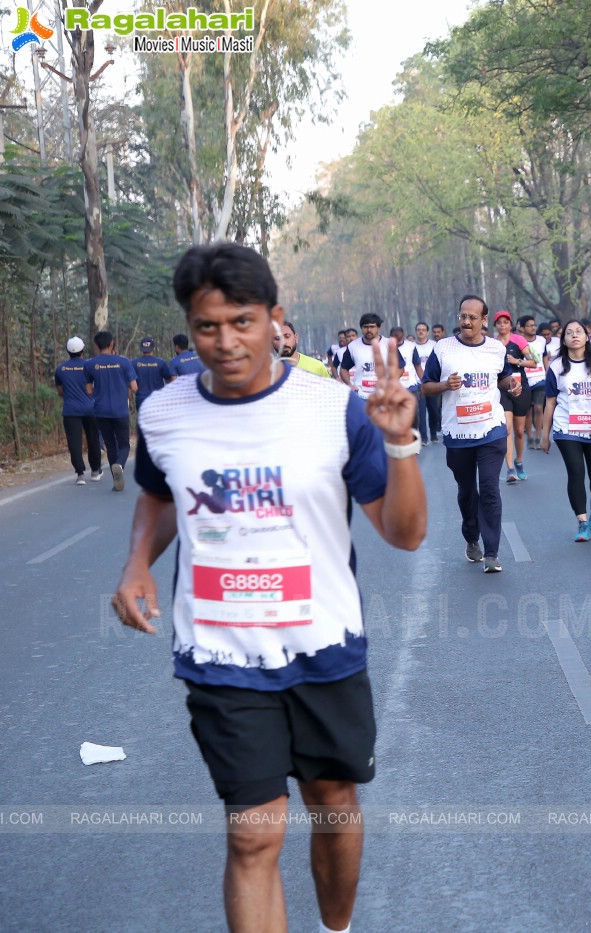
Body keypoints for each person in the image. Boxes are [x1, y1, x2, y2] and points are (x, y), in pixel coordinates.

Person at [112, 241, 426, 933]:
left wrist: (401, 446)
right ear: (189, 328)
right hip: (221, 653)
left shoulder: (335, 408)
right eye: (207, 326)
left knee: (333, 799)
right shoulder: (164, 413)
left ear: (275, 319)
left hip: (324, 646)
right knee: (252, 834)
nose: (225, 342)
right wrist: (137, 561)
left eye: (242, 322)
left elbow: (404, 534)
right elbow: (158, 494)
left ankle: (335, 927)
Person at [422, 295, 521, 574]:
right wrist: (444, 386)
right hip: (458, 433)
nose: (466, 321)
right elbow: (425, 386)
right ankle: (471, 537)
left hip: (491, 429)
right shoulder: (443, 349)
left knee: (489, 487)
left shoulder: (495, 349)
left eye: (472, 317)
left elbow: (503, 377)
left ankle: (492, 552)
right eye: (462, 316)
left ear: (483, 321)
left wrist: (511, 385)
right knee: (467, 491)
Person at [541, 321, 591, 540]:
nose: (574, 335)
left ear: (587, 336)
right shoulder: (556, 367)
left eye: (579, 332)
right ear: (563, 339)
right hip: (567, 428)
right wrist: (545, 436)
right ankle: (582, 522)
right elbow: (550, 403)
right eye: (569, 333)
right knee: (576, 473)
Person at [88, 331, 137, 492]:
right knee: (124, 444)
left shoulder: (90, 364)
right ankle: (119, 465)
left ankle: (116, 479)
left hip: (101, 411)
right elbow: (135, 387)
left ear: (97, 345)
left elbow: (89, 390)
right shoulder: (123, 361)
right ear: (112, 344)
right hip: (120, 410)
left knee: (110, 445)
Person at [55, 336, 102, 484]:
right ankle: (95, 471)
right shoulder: (89, 366)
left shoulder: (61, 369)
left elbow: (60, 390)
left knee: (74, 442)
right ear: (82, 350)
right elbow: (95, 387)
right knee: (93, 440)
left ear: (68, 351)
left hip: (70, 410)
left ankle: (80, 474)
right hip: (90, 408)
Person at [493, 310, 532, 482]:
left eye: (505, 322)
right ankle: (509, 469)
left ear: (510, 325)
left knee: (519, 431)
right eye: (499, 322)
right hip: (502, 389)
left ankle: (519, 461)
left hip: (521, 388)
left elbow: (534, 360)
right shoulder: (492, 344)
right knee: (507, 429)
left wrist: (517, 362)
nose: (502, 325)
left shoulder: (519, 340)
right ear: (495, 325)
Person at [340, 314, 409, 399]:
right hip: (361, 395)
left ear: (378, 328)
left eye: (372, 327)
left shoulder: (389, 344)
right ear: (361, 328)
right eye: (366, 327)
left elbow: (400, 368)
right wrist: (350, 384)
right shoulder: (353, 346)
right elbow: (343, 369)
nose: (369, 330)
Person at [519, 315, 550, 450]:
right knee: (527, 410)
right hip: (525, 380)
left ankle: (538, 436)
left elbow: (545, 358)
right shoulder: (519, 341)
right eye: (529, 325)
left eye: (534, 325)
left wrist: (548, 374)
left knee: (538, 408)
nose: (533, 328)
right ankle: (530, 438)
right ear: (522, 328)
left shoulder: (542, 340)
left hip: (540, 379)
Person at [412, 321, 441, 443]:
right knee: (421, 412)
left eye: (423, 330)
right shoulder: (411, 346)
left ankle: (433, 433)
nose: (421, 331)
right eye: (418, 329)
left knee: (434, 410)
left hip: (432, 382)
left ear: (427, 332)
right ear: (416, 331)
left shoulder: (434, 345)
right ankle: (423, 438)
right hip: (418, 383)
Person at [132, 336, 174, 410]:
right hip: (158, 400)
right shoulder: (161, 363)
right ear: (153, 348)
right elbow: (169, 380)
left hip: (141, 400)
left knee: (143, 421)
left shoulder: (133, 363)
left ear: (142, 349)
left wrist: (131, 401)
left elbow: (131, 384)